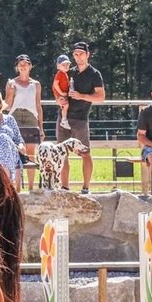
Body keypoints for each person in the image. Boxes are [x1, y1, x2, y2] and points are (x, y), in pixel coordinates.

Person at [57, 42, 106, 194]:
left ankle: (86, 187)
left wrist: (82, 96)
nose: (78, 57)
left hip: (80, 119)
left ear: (87, 55)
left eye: (81, 54)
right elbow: (58, 90)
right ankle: (64, 187)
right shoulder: (68, 72)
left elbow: (101, 97)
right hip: (64, 117)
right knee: (62, 153)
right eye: (76, 54)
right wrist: (59, 100)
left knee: (85, 153)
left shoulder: (94, 74)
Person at [4, 54, 44, 190]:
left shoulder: (36, 84)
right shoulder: (11, 83)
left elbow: (38, 105)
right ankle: (17, 188)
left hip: (31, 116)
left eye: (26, 63)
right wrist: (10, 92)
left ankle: (31, 187)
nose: (23, 65)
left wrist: (41, 127)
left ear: (30, 66)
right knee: (17, 150)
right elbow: (7, 105)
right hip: (15, 115)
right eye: (20, 63)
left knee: (31, 151)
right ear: (17, 67)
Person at [50, 56, 72, 131]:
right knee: (65, 105)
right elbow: (55, 84)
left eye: (67, 65)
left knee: (65, 105)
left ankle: (64, 119)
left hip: (63, 94)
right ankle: (64, 120)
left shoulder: (65, 74)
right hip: (60, 94)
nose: (66, 66)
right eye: (64, 65)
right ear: (58, 66)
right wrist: (61, 93)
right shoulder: (60, 74)